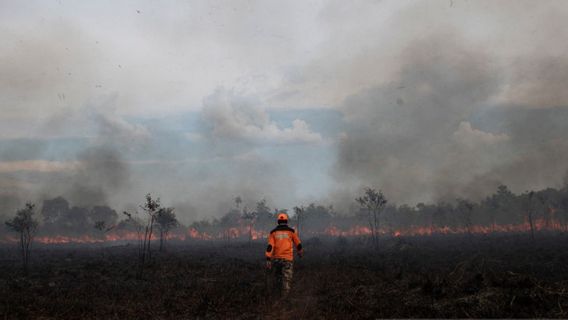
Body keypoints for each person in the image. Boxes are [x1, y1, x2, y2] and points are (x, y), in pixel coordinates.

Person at [265, 212, 303, 296]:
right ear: (287, 221)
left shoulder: (273, 232)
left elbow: (270, 246)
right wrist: (300, 253)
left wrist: (268, 259)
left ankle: (276, 297)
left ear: (278, 221)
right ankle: (284, 300)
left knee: (277, 279)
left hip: (276, 260)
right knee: (286, 280)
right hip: (287, 260)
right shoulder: (291, 231)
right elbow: (298, 244)